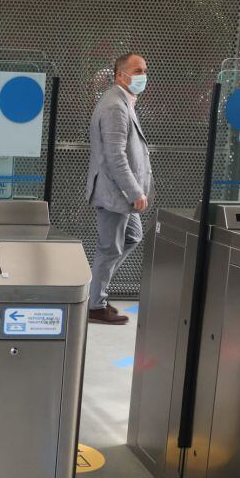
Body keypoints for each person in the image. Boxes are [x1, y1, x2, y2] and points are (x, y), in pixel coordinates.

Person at [85, 52, 153, 325]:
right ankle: (94, 306)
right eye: (137, 70)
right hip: (115, 192)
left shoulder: (124, 102)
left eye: (144, 70)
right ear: (119, 75)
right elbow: (115, 156)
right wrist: (135, 192)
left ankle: (96, 296)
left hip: (120, 194)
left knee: (132, 237)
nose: (142, 76)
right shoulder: (115, 105)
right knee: (109, 248)